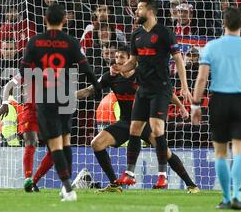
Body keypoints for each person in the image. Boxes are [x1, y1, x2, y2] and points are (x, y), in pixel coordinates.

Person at [76, 47, 199, 193]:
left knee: (165, 153)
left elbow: (166, 91)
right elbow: (89, 90)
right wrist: (65, 96)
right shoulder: (110, 76)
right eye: (116, 57)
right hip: (125, 122)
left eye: (122, 57)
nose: (118, 60)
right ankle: (115, 185)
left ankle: (191, 185)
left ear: (131, 60)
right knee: (96, 144)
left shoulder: (144, 75)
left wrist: (181, 107)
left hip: (146, 123)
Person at [19, 3, 101, 202]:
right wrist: (97, 88)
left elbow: (23, 70)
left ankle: (68, 189)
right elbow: (86, 69)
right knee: (66, 141)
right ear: (64, 21)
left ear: (45, 20)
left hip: (45, 97)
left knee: (54, 144)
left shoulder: (35, 42)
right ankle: (67, 189)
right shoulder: (71, 42)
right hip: (65, 96)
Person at [111, 0, 193, 189]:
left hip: (160, 89)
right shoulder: (136, 35)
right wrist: (120, 68)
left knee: (156, 130)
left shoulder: (164, 33)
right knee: (134, 130)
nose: (136, 11)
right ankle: (129, 173)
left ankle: (162, 175)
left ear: (150, 11)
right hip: (143, 89)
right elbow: (132, 61)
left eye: (139, 8)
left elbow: (179, 60)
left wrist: (184, 86)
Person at [192, 7, 241, 210]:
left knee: (221, 153)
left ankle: (225, 199)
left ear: (223, 23)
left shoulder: (211, 47)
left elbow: (201, 78)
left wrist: (195, 105)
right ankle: (237, 196)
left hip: (219, 101)